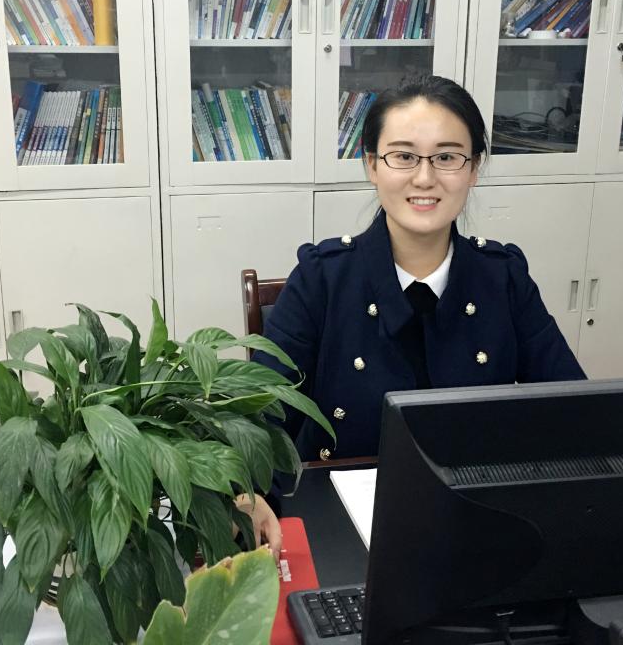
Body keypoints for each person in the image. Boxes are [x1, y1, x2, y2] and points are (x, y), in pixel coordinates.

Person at [238, 75, 586, 556]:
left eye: (447, 157)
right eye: (403, 156)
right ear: (371, 165)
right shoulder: (322, 279)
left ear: (474, 168)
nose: (425, 178)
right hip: (341, 530)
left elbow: (573, 412)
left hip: (477, 524)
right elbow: (259, 418)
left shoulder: (503, 277)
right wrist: (249, 492)